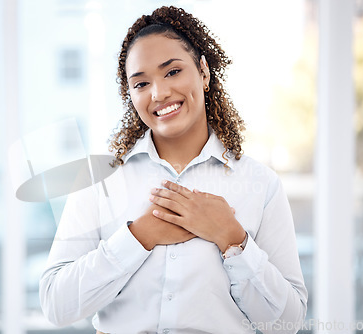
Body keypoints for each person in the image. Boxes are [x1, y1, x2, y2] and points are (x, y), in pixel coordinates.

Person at [40, 6, 307, 334]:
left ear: (204, 73)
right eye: (140, 84)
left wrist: (231, 237)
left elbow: (287, 324)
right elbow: (56, 304)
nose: (159, 93)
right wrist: (141, 236)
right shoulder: (100, 181)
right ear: (131, 96)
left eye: (172, 72)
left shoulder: (260, 185)